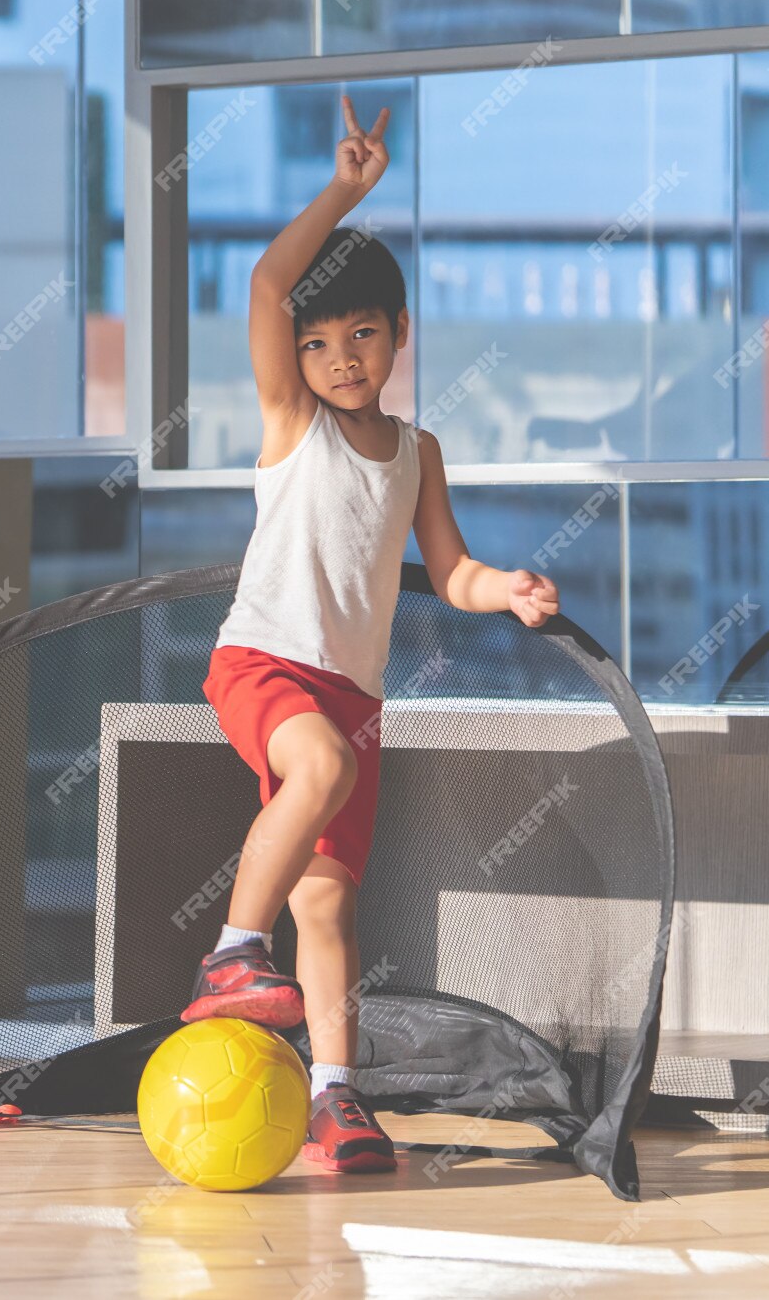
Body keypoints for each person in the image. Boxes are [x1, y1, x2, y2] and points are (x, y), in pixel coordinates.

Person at [182, 96, 562, 1174]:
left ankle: (336, 1098)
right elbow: (265, 281)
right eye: (316, 342)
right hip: (259, 660)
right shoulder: (290, 425)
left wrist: (508, 593)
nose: (340, 356)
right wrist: (345, 191)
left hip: (350, 694)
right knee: (311, 766)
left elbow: (448, 569)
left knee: (332, 900)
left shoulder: (416, 450)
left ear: (397, 335)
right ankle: (228, 957)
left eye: (360, 334)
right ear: (290, 359)